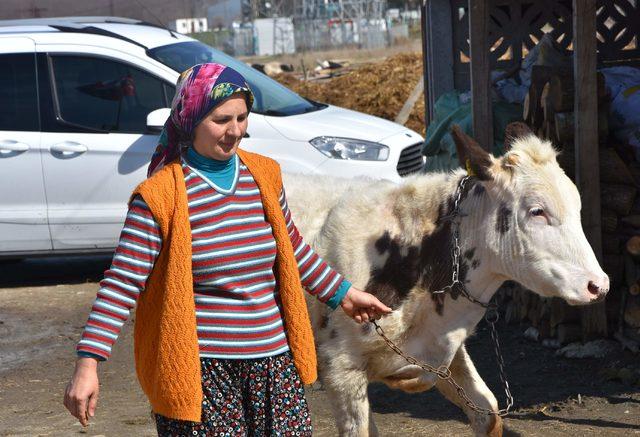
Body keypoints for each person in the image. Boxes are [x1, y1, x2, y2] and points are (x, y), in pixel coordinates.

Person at [63, 62, 392, 436]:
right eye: (221, 119)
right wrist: (88, 364)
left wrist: (344, 295)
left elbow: (291, 249)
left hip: (274, 366)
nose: (234, 131)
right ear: (190, 119)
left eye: (241, 117)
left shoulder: (263, 175)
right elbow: (121, 285)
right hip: (203, 373)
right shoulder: (160, 197)